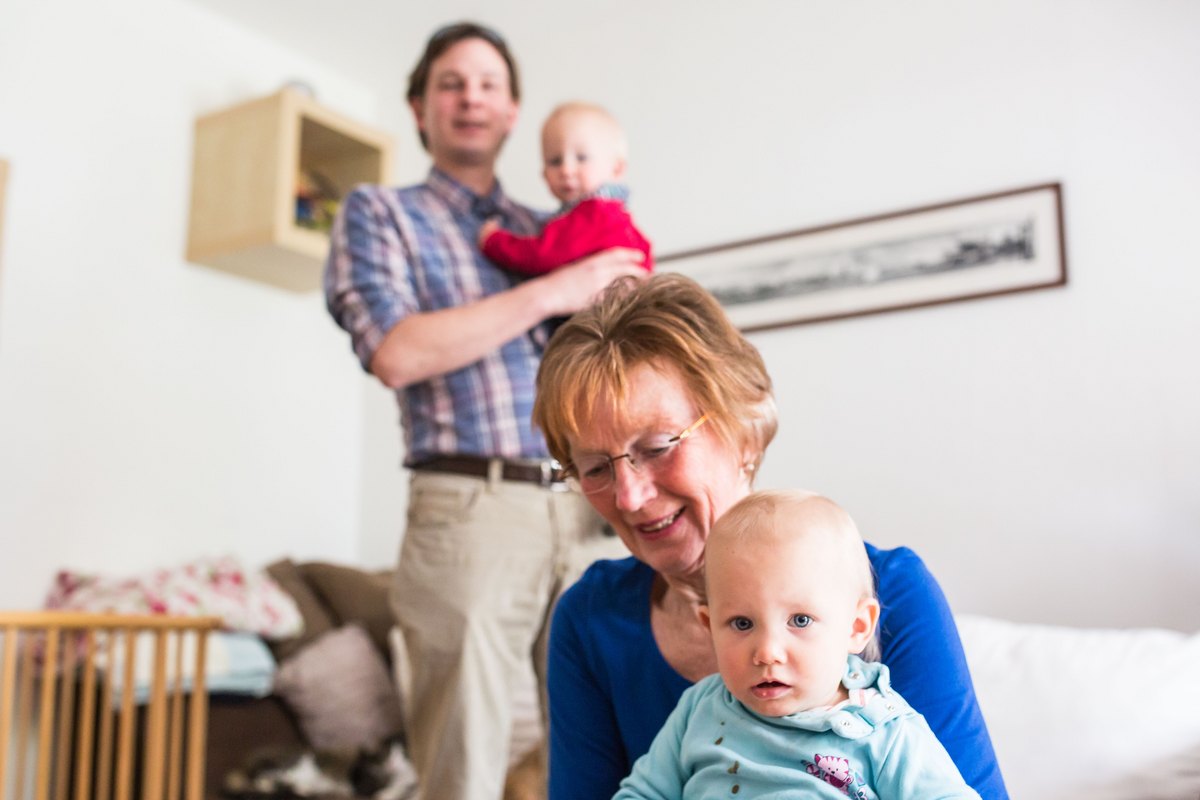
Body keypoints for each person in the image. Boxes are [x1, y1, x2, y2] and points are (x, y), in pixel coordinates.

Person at [531, 273, 1009, 800]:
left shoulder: (888, 588)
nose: (629, 496)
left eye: (658, 446)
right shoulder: (592, 619)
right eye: (596, 467)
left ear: (743, 430)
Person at [323, 21, 645, 800]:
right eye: (451, 84)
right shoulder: (379, 212)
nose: (472, 97)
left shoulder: (554, 227)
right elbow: (396, 351)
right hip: (469, 510)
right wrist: (554, 290)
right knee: (463, 765)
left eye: (489, 85)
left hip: (583, 505)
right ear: (419, 109)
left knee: (596, 756)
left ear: (512, 113)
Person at [614, 489, 980, 799]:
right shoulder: (700, 709)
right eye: (742, 623)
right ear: (710, 628)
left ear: (856, 627)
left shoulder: (885, 731)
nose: (767, 652)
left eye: (800, 621)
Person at [478, 101, 654, 277]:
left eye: (581, 158)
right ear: (544, 174)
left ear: (617, 169)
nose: (566, 170)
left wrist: (494, 241)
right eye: (555, 161)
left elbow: (542, 254)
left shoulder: (594, 213)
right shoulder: (618, 217)